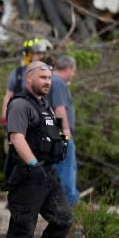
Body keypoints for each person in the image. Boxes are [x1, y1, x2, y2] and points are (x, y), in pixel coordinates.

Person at [0, 61, 72, 238]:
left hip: (48, 174)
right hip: (28, 174)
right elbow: (16, 138)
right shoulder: (21, 104)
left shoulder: (45, 106)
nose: (47, 82)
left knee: (62, 220)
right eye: (42, 78)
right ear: (29, 78)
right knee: (22, 229)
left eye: (49, 79)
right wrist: (33, 164)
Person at [0, 37, 52, 128]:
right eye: (38, 53)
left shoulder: (49, 74)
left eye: (42, 53)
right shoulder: (17, 74)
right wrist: (4, 118)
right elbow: (8, 96)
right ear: (29, 54)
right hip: (19, 119)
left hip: (41, 121)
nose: (41, 56)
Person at [50, 55, 79, 206]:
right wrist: (66, 131)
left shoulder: (51, 80)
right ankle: (69, 205)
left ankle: (61, 203)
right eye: (73, 70)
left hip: (53, 135)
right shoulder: (58, 83)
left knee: (59, 170)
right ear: (69, 69)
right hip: (61, 135)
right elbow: (59, 109)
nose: (73, 74)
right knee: (67, 170)